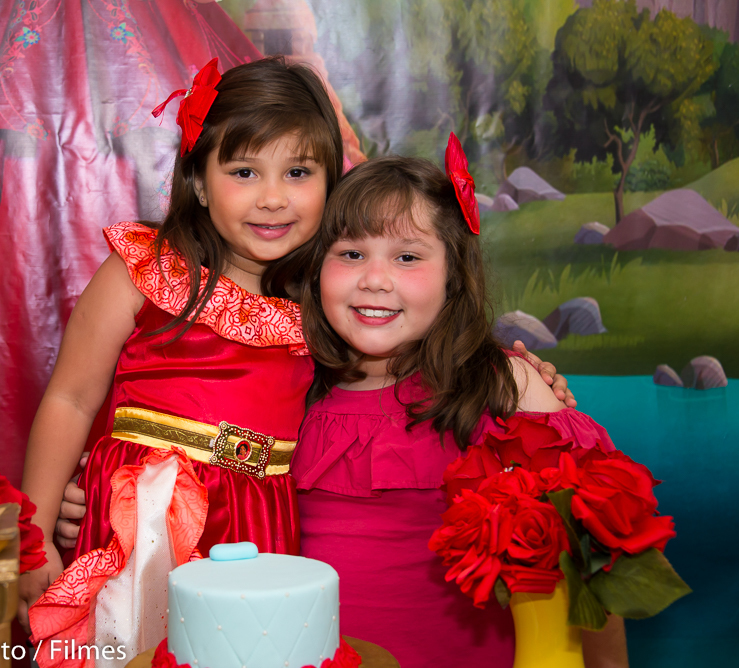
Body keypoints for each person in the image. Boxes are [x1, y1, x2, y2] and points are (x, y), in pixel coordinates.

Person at [30, 57, 575, 663]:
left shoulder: (315, 310)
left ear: (328, 187)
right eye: (244, 171)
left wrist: (524, 379)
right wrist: (40, 526)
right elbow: (71, 398)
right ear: (200, 181)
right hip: (146, 523)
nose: (272, 198)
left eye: (297, 172)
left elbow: (408, 353)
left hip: (260, 534)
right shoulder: (147, 271)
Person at [291, 151, 628, 667]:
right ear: (316, 268)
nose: (375, 278)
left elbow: (592, 563)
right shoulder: (292, 386)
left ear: (453, 272)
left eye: (407, 257)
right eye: (351, 253)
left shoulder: (504, 387)